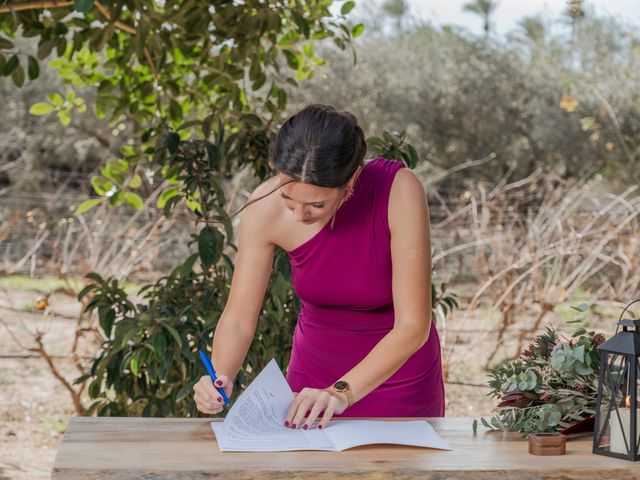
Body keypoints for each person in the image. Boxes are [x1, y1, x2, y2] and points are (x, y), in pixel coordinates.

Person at [193, 104, 445, 430]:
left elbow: (413, 325)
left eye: (316, 205)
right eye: (288, 199)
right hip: (309, 388)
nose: (299, 216)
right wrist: (220, 377)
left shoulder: (399, 190)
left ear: (350, 182)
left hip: (398, 381)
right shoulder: (264, 207)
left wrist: (340, 393)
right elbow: (240, 317)